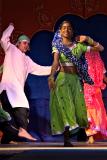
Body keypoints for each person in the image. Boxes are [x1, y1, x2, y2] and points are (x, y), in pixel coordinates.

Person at [48, 20, 104, 147]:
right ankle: (66, 139)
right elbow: (56, 62)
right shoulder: (57, 46)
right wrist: (51, 76)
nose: (66, 30)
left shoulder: (79, 46)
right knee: (66, 106)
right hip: (63, 79)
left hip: (75, 81)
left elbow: (100, 48)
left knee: (78, 109)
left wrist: (88, 39)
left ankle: (74, 134)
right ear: (60, 31)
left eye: (69, 28)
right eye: (63, 28)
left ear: (72, 31)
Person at [0, 23, 51, 139]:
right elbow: (3, 39)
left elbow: (41, 69)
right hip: (7, 88)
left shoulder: (27, 60)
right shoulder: (11, 49)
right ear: (18, 43)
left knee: (9, 116)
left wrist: (55, 68)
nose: (26, 45)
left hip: (15, 90)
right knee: (23, 105)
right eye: (24, 43)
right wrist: (11, 26)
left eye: (28, 44)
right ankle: (22, 129)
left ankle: (7, 139)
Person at [84, 51, 107, 144]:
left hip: (90, 90)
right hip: (93, 90)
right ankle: (91, 136)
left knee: (90, 112)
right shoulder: (98, 63)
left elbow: (104, 77)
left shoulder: (85, 62)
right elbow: (104, 77)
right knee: (94, 113)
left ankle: (91, 136)